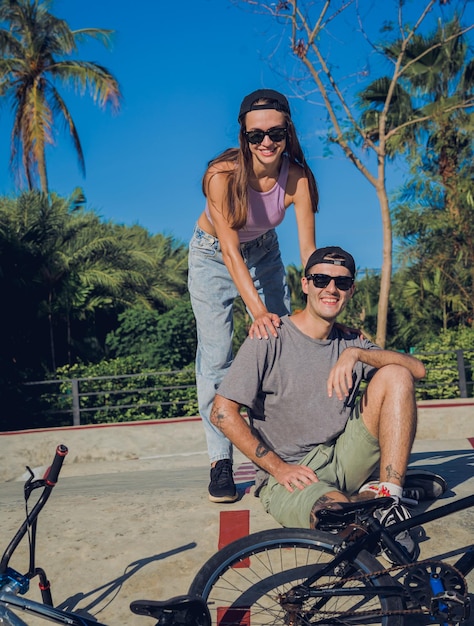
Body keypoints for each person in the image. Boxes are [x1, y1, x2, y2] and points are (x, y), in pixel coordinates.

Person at [210, 246, 427, 561]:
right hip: (293, 473)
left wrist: (358, 354)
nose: (331, 289)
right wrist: (277, 468)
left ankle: (389, 498)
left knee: (396, 374)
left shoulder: (350, 341)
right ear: (305, 284)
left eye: (341, 282)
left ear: (351, 290)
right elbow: (222, 412)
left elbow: (417, 370)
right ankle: (371, 495)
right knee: (339, 519)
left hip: (343, 457)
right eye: (322, 279)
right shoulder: (269, 336)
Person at [188, 88, 318, 503]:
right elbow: (228, 250)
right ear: (243, 136)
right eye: (255, 135)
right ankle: (220, 460)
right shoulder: (221, 175)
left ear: (288, 133)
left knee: (281, 345)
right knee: (217, 355)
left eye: (275, 134)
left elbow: (309, 252)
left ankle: (282, 444)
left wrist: (322, 297)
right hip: (211, 257)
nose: (266, 143)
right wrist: (257, 311)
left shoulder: (297, 177)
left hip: (265, 252)